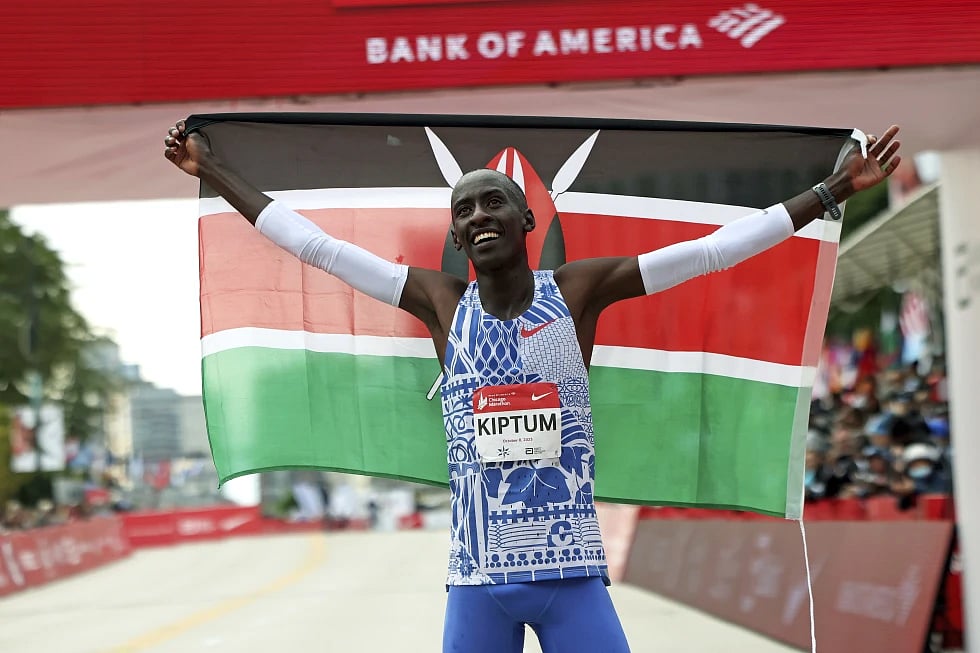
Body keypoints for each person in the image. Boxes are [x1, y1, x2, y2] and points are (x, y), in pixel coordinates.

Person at [164, 119, 901, 653]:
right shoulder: (439, 302)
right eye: (463, 211)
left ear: (526, 219)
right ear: (456, 238)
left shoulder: (578, 291)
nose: (477, 216)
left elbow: (710, 253)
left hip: (570, 576)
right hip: (476, 579)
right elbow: (314, 246)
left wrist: (832, 189)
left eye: (492, 203)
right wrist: (214, 174)